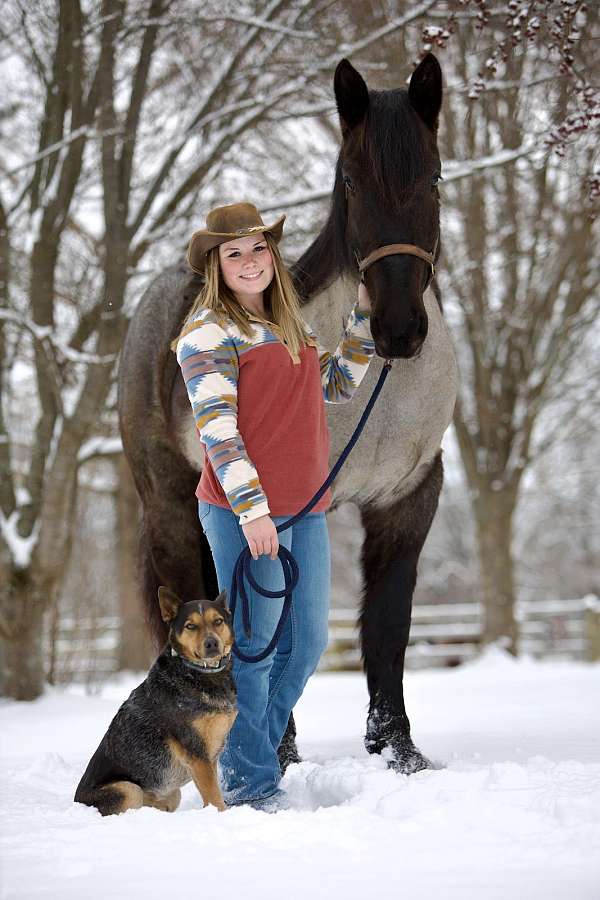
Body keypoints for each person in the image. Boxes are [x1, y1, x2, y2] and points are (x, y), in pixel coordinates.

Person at [173, 202, 374, 810]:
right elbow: (218, 430)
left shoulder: (290, 327)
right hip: (244, 513)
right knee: (255, 650)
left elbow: (334, 387)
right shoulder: (205, 334)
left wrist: (363, 319)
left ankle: (251, 740)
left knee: (307, 641)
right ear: (217, 265)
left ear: (271, 254)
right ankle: (253, 786)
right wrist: (252, 510)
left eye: (258, 248)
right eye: (234, 253)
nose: (250, 261)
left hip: (306, 506)